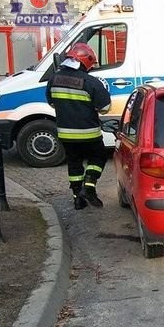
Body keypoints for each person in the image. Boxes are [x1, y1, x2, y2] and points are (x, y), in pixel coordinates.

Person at [45, 43, 111, 209]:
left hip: (66, 134)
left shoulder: (54, 79)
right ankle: (89, 186)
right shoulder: (91, 82)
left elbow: (51, 102)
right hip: (89, 134)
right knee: (98, 157)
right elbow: (105, 108)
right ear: (86, 62)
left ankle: (77, 199)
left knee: (74, 164)